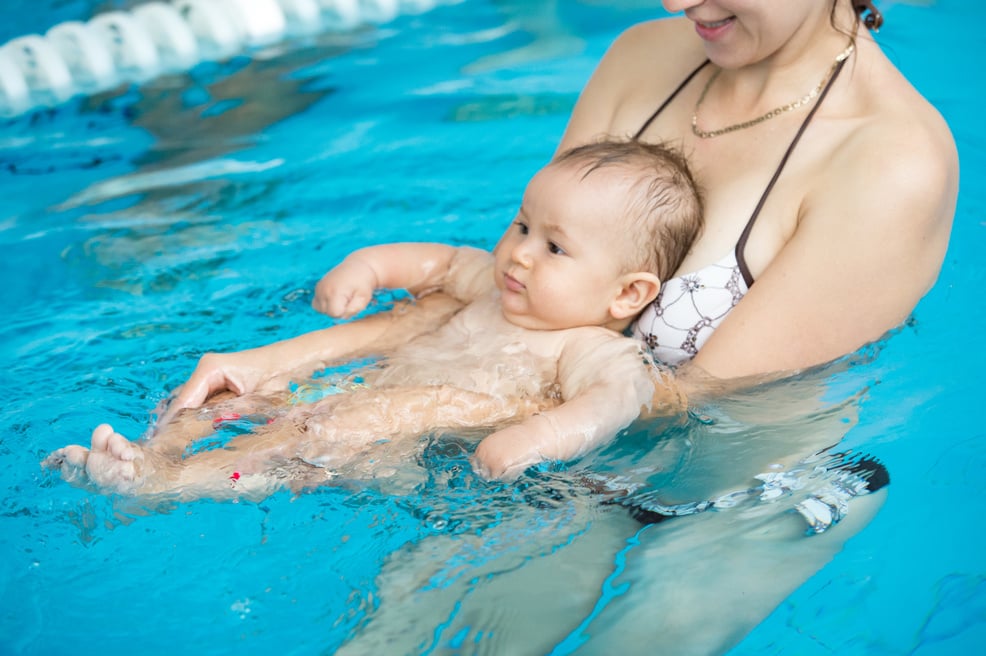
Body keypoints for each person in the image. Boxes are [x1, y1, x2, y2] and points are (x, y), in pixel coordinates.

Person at [79, 1, 955, 652]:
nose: (678, 3)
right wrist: (276, 366)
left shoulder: (891, 162)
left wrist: (400, 412)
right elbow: (508, 293)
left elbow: (703, 403)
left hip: (731, 496)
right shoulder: (648, 57)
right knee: (391, 638)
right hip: (544, 467)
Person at [42, 138, 704, 500]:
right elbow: (432, 262)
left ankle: (167, 487)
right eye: (522, 224)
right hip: (354, 389)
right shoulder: (491, 283)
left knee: (297, 448)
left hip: (385, 441)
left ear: (627, 294)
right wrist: (364, 267)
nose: (520, 254)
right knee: (229, 397)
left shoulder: (586, 347)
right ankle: (150, 452)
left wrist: (538, 439)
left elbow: (617, 399)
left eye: (554, 247)